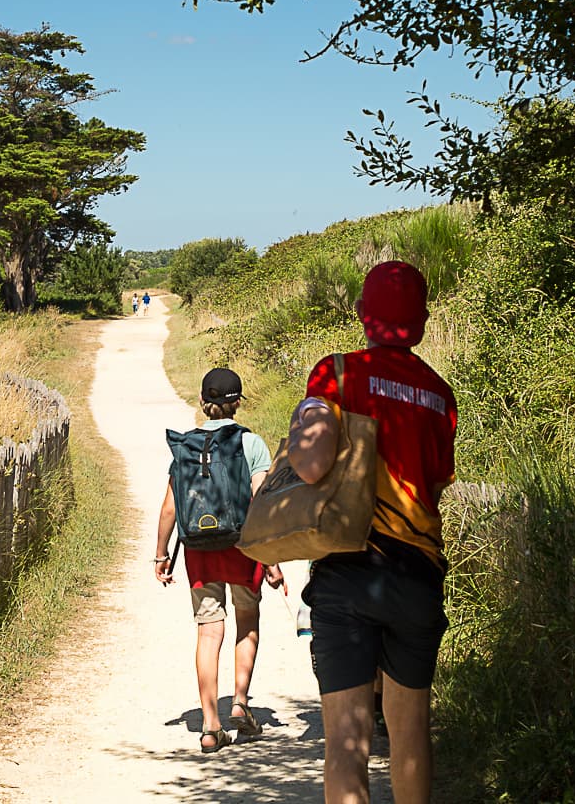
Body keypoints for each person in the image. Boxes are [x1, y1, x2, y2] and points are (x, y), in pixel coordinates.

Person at [286, 260, 456, 804]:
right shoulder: (440, 393)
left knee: (346, 743)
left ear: (362, 315)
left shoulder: (335, 373)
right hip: (418, 577)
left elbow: (310, 466)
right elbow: (438, 480)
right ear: (423, 322)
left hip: (349, 572)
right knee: (409, 734)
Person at [154, 367, 284, 752]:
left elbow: (168, 509)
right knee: (247, 620)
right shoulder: (251, 443)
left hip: (199, 549)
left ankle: (211, 725)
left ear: (202, 402)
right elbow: (262, 503)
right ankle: (240, 704)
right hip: (244, 547)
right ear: (238, 402)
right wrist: (272, 558)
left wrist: (161, 554)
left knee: (209, 631)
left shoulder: (186, 446)